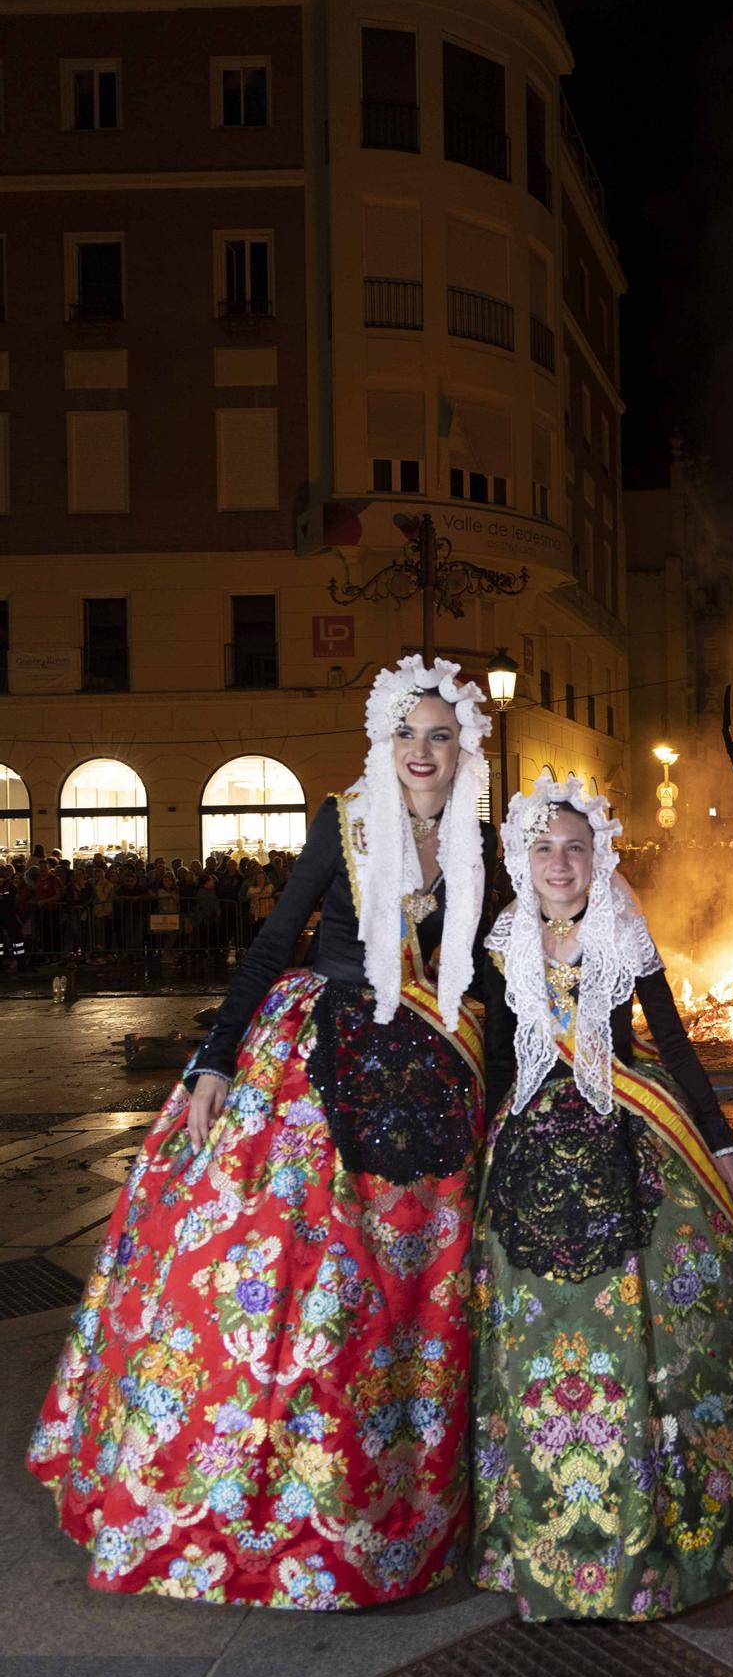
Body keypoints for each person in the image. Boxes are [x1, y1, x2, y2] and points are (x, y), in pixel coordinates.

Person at [29, 656, 495, 1609]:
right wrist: (212, 1056)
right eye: (406, 734)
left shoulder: (485, 841)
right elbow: (275, 941)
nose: (420, 752)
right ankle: (252, 1510)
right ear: (383, 741)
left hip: (432, 1080)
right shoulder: (343, 819)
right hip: (314, 1061)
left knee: (411, 1288)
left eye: (439, 736)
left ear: (464, 749)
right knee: (290, 1269)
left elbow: (498, 972)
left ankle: (402, 1496)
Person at [470, 776, 733, 1622]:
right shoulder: (504, 933)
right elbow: (502, 1057)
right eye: (543, 848)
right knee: (524, 1334)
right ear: (522, 856)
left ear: (599, 858)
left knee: (650, 1321)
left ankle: (657, 1534)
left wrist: (721, 1141)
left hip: (629, 1136)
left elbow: (677, 1042)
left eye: (575, 849)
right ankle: (535, 1536)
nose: (558, 863)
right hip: (529, 1155)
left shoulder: (622, 930)